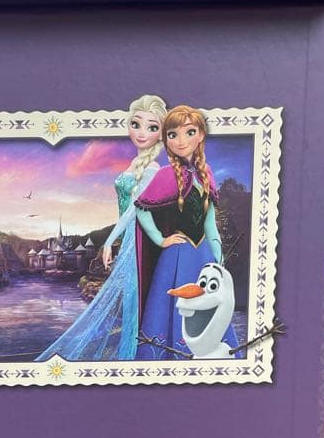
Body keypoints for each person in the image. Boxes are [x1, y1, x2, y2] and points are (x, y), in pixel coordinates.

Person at [36, 94, 167, 362]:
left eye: (152, 127)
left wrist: (109, 241)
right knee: (130, 298)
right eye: (136, 124)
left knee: (134, 297)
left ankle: (134, 355)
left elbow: (136, 209)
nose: (142, 133)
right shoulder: (134, 164)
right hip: (130, 236)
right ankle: (130, 351)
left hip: (139, 238)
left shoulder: (153, 168)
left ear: (161, 133)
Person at [134, 105, 239, 360]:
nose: (181, 141)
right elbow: (141, 209)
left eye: (189, 132)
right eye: (173, 135)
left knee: (210, 301)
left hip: (203, 255)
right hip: (176, 254)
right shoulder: (165, 174)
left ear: (200, 135)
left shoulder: (206, 173)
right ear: (166, 139)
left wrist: (218, 257)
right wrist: (161, 239)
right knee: (174, 306)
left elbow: (210, 223)